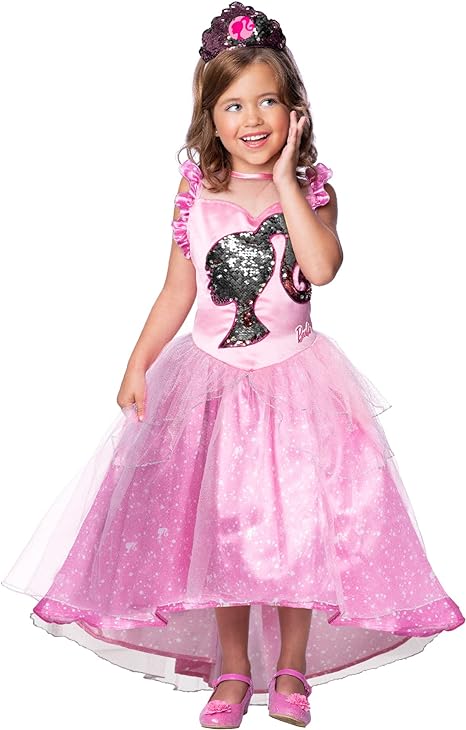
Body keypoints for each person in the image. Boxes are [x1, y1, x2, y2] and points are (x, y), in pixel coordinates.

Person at [2, 3, 464, 728]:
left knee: (298, 527)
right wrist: (137, 361)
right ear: (210, 119)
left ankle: (291, 667)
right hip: (212, 387)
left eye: (268, 101)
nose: (253, 118)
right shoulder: (198, 195)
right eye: (234, 105)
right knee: (222, 529)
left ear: (295, 111)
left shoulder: (314, 192)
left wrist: (286, 180)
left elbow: (322, 266)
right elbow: (177, 290)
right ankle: (232, 669)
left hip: (297, 385)